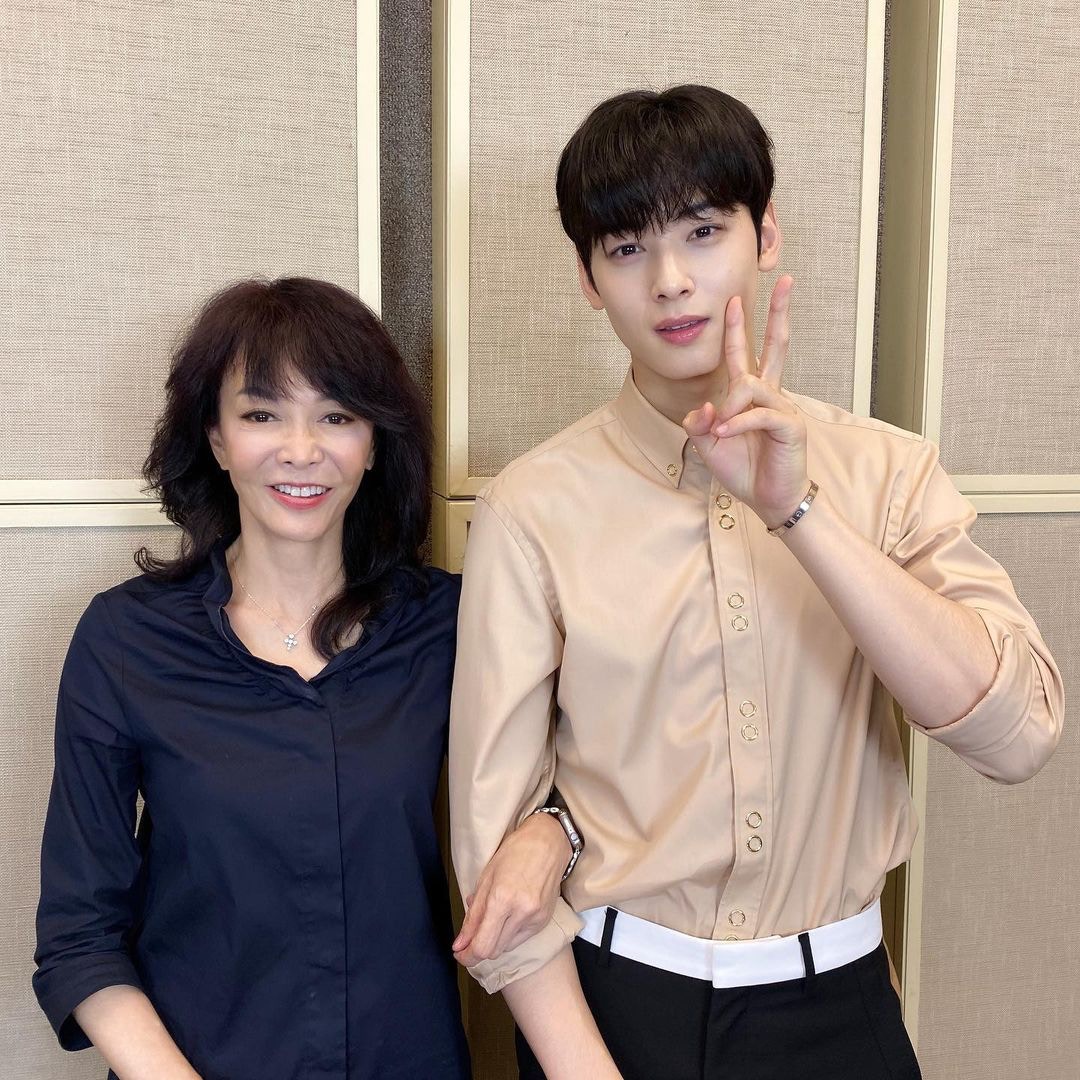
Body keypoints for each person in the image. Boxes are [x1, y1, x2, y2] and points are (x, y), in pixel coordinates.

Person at [449, 85, 1064, 1079]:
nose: (671, 283)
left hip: (838, 1008)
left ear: (765, 233)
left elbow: (1018, 733)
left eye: (703, 232)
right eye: (627, 249)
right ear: (588, 279)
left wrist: (799, 512)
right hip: (616, 1007)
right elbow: (496, 841)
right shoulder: (533, 506)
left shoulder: (887, 470)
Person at [32, 278, 571, 1079]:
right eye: (261, 415)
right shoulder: (125, 641)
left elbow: (608, 753)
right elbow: (80, 937)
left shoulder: (450, 624)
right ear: (216, 439)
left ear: (375, 442)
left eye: (336, 416)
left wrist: (553, 831)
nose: (301, 449)